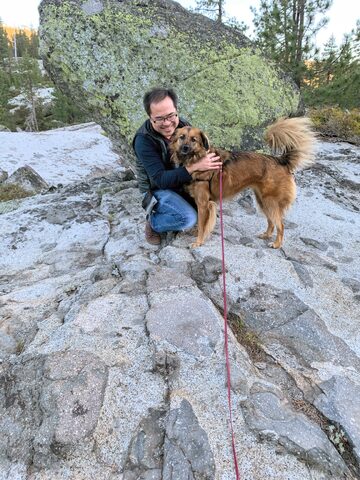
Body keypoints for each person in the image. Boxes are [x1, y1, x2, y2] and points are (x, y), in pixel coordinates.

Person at [132, 87, 222, 245]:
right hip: (157, 189)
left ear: (176, 111)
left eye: (170, 115)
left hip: (180, 180)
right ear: (149, 117)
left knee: (206, 206)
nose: (167, 123)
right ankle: (154, 223)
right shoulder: (143, 141)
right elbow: (160, 180)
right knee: (188, 219)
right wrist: (194, 167)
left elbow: (198, 150)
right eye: (159, 118)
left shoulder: (183, 126)